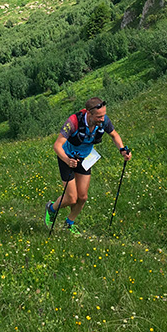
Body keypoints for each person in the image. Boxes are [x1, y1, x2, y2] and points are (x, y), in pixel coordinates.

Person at [45, 97, 131, 235]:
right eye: (99, 116)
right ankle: (51, 208)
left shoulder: (104, 120)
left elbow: (114, 135)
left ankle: (69, 223)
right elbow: (57, 146)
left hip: (84, 159)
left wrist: (122, 150)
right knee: (71, 198)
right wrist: (68, 160)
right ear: (89, 114)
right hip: (67, 157)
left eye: (103, 115)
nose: (102, 119)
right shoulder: (73, 122)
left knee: (83, 197)